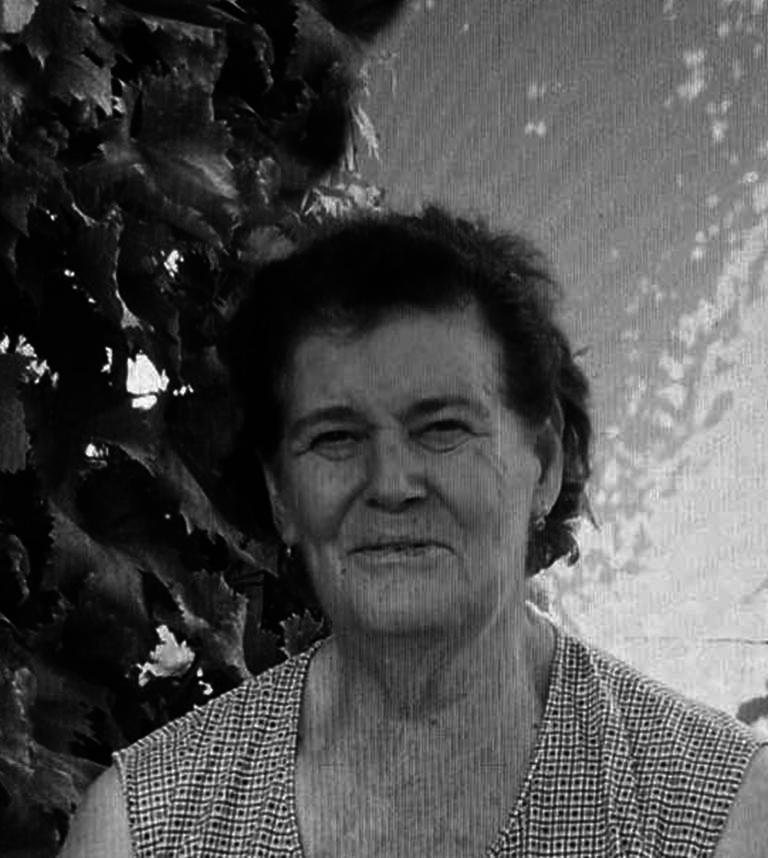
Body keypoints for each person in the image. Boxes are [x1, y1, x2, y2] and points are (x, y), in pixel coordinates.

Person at [60, 206, 768, 857]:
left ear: (547, 463)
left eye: (442, 428)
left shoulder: (724, 816)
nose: (391, 483)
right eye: (335, 438)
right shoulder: (141, 830)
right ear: (281, 495)